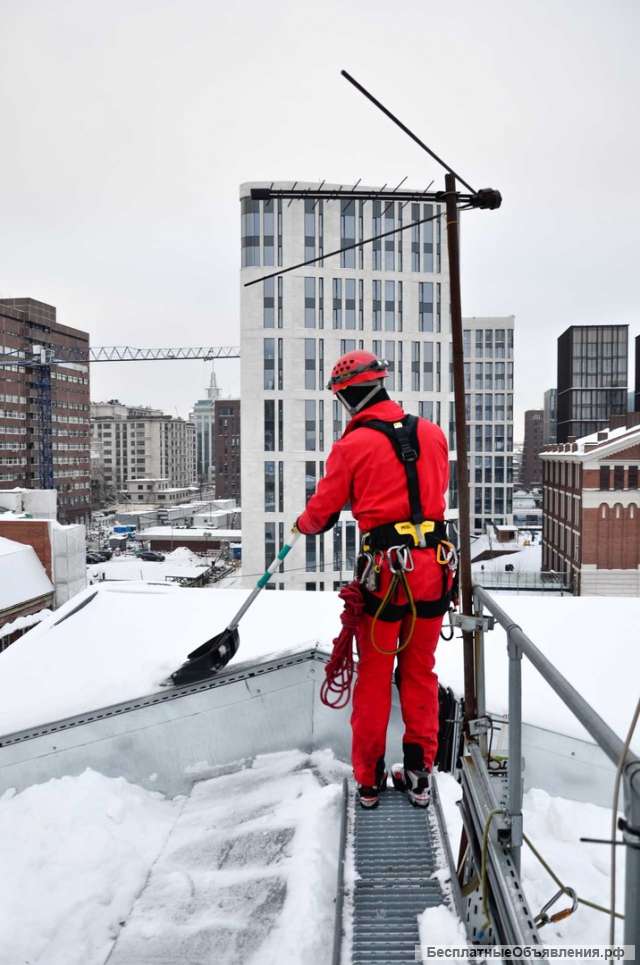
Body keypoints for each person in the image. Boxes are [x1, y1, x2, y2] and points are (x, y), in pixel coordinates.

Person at [295, 350, 455, 809]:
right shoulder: (432, 433)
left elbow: (322, 512)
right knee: (419, 671)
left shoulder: (352, 446)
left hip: (387, 577)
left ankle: (369, 780)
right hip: (433, 570)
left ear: (348, 394)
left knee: (375, 675)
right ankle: (420, 773)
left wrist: (302, 526)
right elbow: (433, 493)